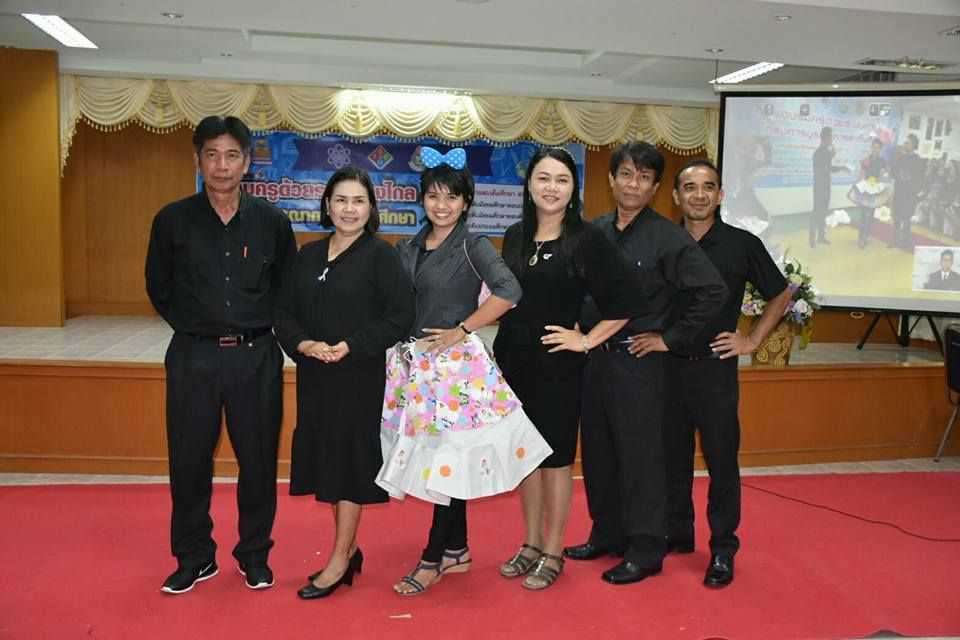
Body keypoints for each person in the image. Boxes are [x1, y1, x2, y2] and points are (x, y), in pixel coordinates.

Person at [377, 147, 551, 596]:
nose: (442, 205)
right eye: (433, 195)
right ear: (422, 199)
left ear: (466, 202)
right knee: (437, 459)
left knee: (446, 464)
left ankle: (433, 557)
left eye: (452, 196)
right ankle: (457, 549)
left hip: (456, 372)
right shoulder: (408, 246)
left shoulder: (473, 246)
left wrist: (462, 329)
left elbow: (508, 291)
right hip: (415, 367)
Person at [563, 141, 727, 586]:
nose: (633, 184)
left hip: (641, 365)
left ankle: (646, 548)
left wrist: (669, 339)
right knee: (599, 454)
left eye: (644, 177)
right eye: (626, 174)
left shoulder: (667, 237)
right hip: (595, 361)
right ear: (611, 179)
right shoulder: (593, 231)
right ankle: (606, 534)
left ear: (655, 188)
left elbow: (712, 291)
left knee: (641, 459)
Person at [145, 115, 297, 594]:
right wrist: (196, 328)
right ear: (198, 160)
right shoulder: (172, 220)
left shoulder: (273, 223)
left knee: (258, 461)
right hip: (194, 358)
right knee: (188, 460)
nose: (222, 165)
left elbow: (287, 289)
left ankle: (254, 555)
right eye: (212, 155)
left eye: (232, 155)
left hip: (256, 357)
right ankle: (194, 557)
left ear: (247, 162)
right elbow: (158, 286)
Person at [493, 147, 642, 590]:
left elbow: (626, 300)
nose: (551, 187)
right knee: (524, 456)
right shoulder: (515, 235)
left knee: (555, 459)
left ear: (573, 188)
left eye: (561, 179)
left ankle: (554, 550)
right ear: (529, 185)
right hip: (513, 360)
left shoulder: (586, 239)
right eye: (543, 178)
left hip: (558, 365)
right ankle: (530, 543)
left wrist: (587, 339)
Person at [274, 167, 415, 599]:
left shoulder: (381, 256)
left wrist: (352, 345)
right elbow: (283, 312)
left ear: (371, 208)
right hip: (316, 376)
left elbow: (400, 316)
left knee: (350, 465)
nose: (349, 209)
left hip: (359, 377)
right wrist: (304, 344)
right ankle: (349, 548)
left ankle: (339, 558)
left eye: (358, 201)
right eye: (341, 200)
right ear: (327, 205)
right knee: (328, 462)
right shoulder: (308, 255)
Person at [664, 159, 790, 588]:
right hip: (665, 369)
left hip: (715, 371)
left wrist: (752, 340)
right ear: (676, 196)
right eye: (690, 187)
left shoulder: (742, 244)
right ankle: (677, 534)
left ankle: (722, 547)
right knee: (671, 457)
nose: (698, 195)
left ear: (720, 195)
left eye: (708, 187)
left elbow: (780, 294)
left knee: (721, 460)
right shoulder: (663, 241)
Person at [810, 127, 847, 248]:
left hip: (825, 187)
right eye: (830, 137)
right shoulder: (819, 152)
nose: (832, 139)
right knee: (817, 213)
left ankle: (821, 237)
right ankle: (812, 239)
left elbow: (828, 168)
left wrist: (840, 167)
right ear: (825, 138)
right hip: (819, 188)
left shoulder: (825, 152)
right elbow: (825, 169)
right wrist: (832, 156)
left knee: (823, 212)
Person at [891, 134, 925, 250]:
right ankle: (895, 240)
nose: (905, 145)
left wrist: (910, 179)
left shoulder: (918, 160)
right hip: (899, 192)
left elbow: (920, 178)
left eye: (907, 143)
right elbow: (893, 172)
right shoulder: (901, 157)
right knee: (896, 217)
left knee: (906, 219)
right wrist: (898, 173)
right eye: (905, 143)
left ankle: (905, 242)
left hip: (909, 195)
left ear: (913, 145)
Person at [854, 139, 889, 249]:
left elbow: (884, 175)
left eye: (877, 147)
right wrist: (857, 185)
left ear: (880, 149)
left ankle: (867, 235)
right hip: (865, 189)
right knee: (864, 214)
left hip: (875, 190)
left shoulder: (882, 161)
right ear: (871, 148)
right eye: (873, 147)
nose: (875, 149)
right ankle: (861, 238)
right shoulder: (866, 160)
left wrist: (883, 175)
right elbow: (862, 173)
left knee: (871, 214)